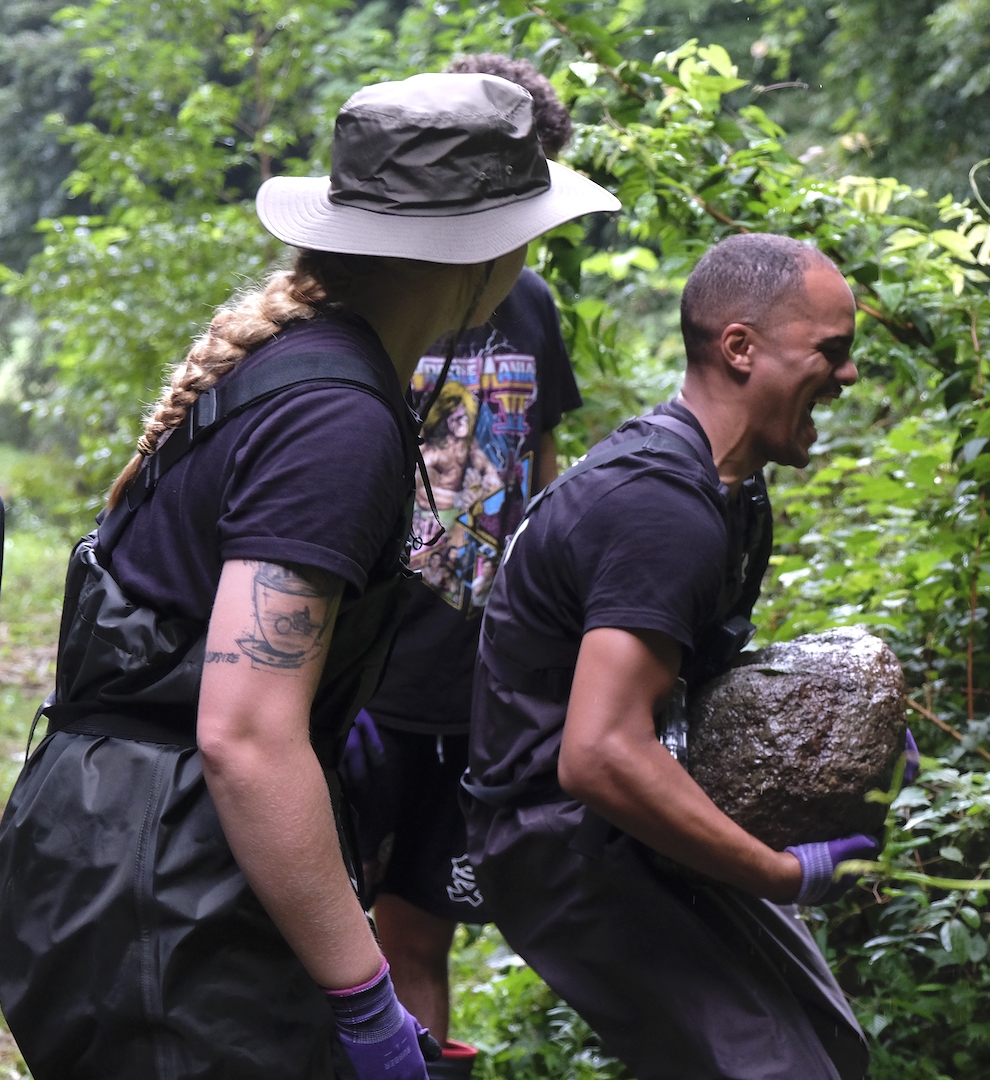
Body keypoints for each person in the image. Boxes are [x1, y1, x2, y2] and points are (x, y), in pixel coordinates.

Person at [0, 72, 616, 1080]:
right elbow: (244, 736)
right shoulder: (338, 423)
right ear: (485, 251)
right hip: (165, 888)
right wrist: (368, 999)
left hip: (136, 857)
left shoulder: (312, 366)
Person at [463, 233, 885, 1079]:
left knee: (831, 1049)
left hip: (632, 819)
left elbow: (681, 686)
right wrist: (774, 871)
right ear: (740, 348)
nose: (847, 376)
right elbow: (598, 753)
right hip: (563, 844)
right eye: (831, 352)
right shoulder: (662, 510)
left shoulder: (732, 493)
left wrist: (843, 734)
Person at [335, 54, 583, 1071]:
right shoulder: (363, 309)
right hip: (363, 682)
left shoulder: (530, 312)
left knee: (419, 934)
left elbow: (543, 480)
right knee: (330, 926)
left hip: (475, 683)